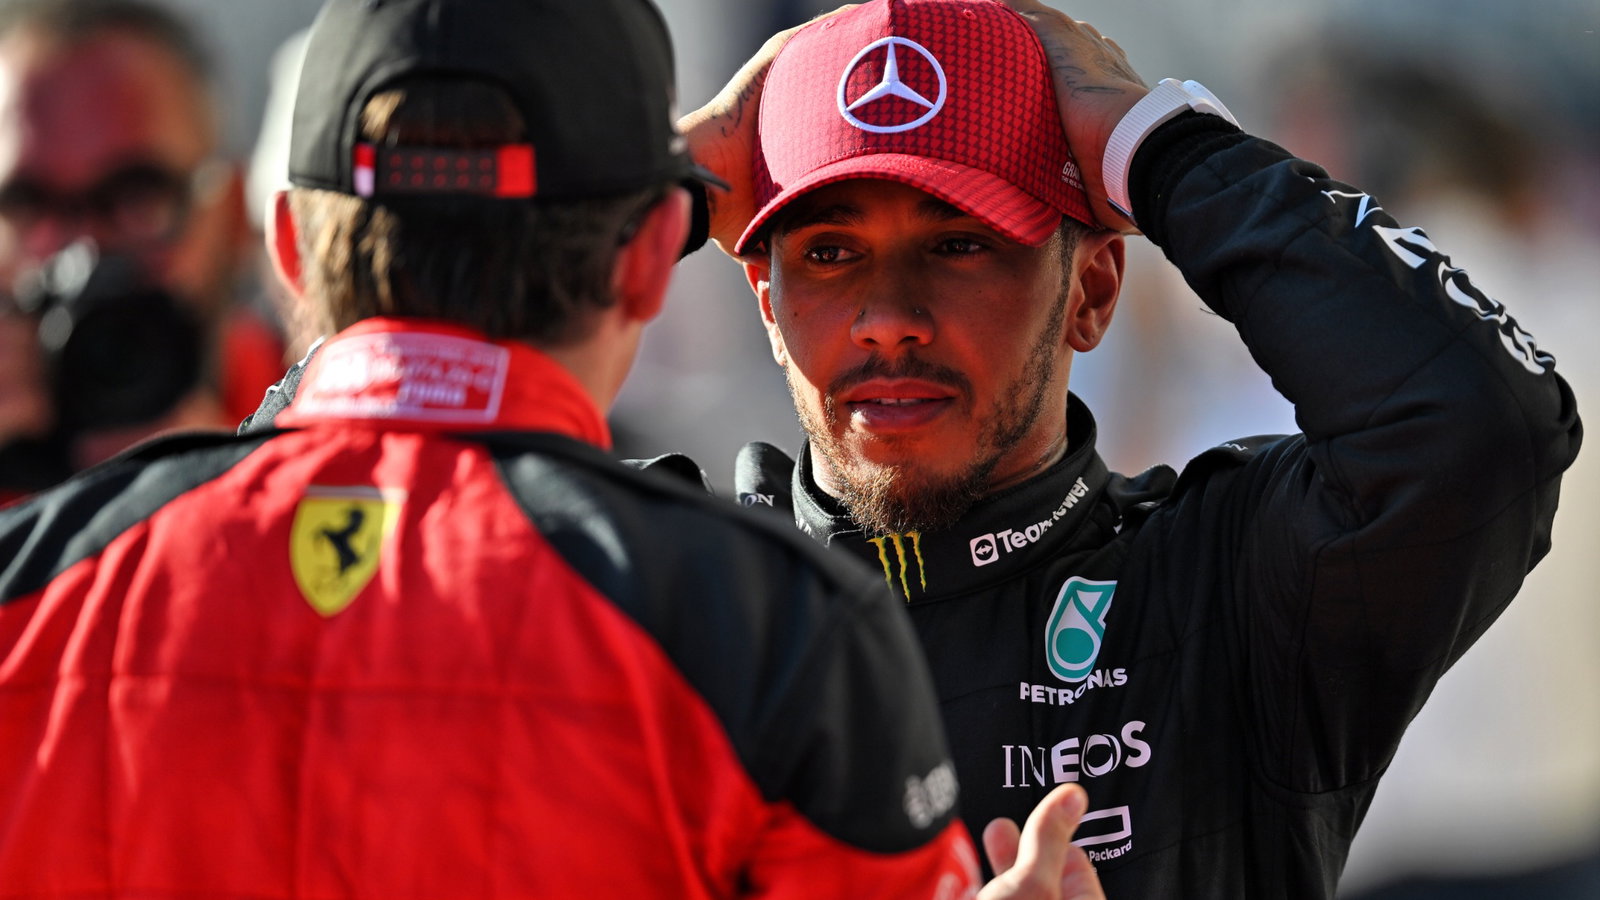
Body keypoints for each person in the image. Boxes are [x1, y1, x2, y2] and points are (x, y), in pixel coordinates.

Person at [0, 0, 1109, 896]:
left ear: (287, 250)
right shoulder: (768, 624)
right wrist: (1158, 144)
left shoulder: (38, 575)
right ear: (652, 255)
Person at [673, 0, 1581, 896]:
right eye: (831, 254)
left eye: (957, 244)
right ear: (767, 301)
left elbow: (1487, 429)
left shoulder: (1225, 592)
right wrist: (664, 184)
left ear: (1093, 292)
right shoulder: (654, 595)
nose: (888, 320)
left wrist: (1162, 146)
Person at [0, 0, 283, 501]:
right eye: (29, 206)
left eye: (137, 199)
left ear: (233, 215)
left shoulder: (319, 423)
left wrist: (241, 500)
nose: (81, 249)